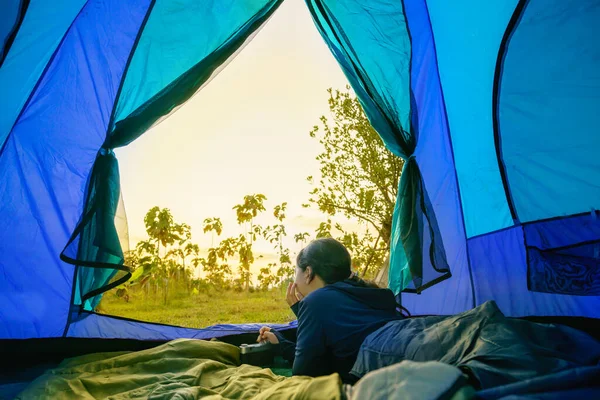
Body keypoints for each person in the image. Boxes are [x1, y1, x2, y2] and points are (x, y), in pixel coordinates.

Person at [256, 238, 403, 383]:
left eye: (296, 272)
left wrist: (283, 344)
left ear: (308, 272)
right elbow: (337, 343)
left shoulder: (317, 302)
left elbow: (304, 374)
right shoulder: (367, 292)